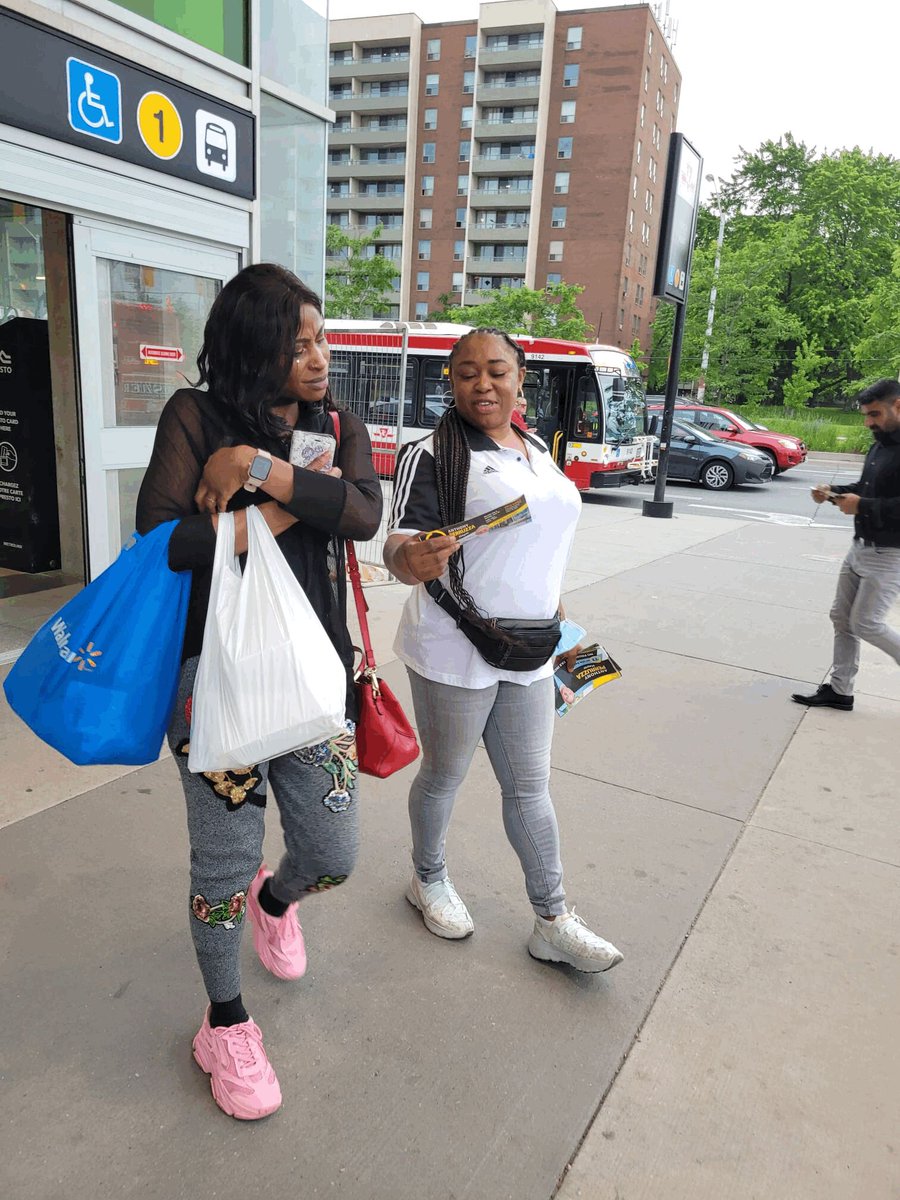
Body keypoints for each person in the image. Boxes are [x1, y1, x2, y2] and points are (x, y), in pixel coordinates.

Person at [136, 264, 381, 1120]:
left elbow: (362, 514)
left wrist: (254, 470)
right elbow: (166, 544)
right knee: (222, 865)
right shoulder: (192, 417)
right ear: (253, 346)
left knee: (335, 851)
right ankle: (224, 1020)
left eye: (322, 340)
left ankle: (278, 903)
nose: (319, 358)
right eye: (298, 343)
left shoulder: (336, 422)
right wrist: (283, 504)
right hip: (216, 682)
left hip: (315, 676)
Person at [383, 327, 623, 974]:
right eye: (465, 373)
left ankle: (553, 919)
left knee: (529, 786)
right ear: (451, 382)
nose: (480, 384)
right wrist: (414, 557)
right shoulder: (430, 453)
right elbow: (398, 548)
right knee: (445, 775)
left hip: (535, 646)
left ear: (521, 376)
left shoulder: (538, 448)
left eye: (495, 371)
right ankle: (427, 880)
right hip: (454, 646)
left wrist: (559, 617)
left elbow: (539, 544)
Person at [792, 378, 900, 711]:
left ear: (898, 406)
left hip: (889, 553)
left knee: (866, 623)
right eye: (866, 415)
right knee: (841, 617)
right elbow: (867, 487)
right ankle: (840, 690)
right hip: (860, 548)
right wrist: (835, 491)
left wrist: (862, 505)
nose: (868, 422)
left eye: (875, 414)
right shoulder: (880, 443)